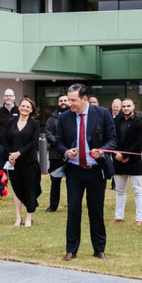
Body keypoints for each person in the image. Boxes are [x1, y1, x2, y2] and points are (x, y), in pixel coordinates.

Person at [54, 83, 117, 260]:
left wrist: (102, 150)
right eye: (68, 99)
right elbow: (58, 142)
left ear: (84, 99)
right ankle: (71, 250)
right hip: (74, 170)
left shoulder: (103, 114)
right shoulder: (65, 117)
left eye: (73, 100)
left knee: (96, 210)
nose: (69, 103)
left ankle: (99, 249)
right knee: (73, 209)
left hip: (96, 170)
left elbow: (112, 140)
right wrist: (66, 151)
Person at [2, 97, 42, 227]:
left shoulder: (34, 124)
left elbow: (34, 142)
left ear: (31, 110)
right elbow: (5, 140)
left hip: (29, 162)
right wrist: (10, 155)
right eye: (23, 106)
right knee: (17, 189)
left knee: (29, 188)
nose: (25, 108)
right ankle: (18, 218)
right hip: (14, 162)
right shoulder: (11, 122)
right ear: (19, 107)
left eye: (28, 107)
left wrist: (19, 153)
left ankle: (29, 216)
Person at [112, 99, 142, 225]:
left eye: (128, 106)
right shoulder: (116, 121)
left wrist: (125, 155)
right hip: (117, 160)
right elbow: (112, 139)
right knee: (120, 190)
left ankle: (140, 219)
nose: (126, 108)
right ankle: (119, 216)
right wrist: (117, 154)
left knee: (137, 190)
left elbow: (139, 143)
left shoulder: (140, 123)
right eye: (124, 106)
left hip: (134, 162)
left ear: (133, 107)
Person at [44, 94, 69, 212]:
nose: (63, 102)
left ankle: (72, 204)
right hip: (55, 154)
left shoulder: (74, 116)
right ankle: (53, 205)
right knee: (55, 182)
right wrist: (61, 144)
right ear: (57, 103)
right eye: (61, 101)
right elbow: (48, 134)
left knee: (72, 182)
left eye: (65, 100)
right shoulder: (51, 118)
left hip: (71, 155)